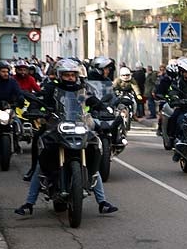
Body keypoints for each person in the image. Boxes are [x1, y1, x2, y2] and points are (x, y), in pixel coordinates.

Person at [15, 58, 118, 216]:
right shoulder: (51, 88)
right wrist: (36, 109)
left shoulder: (83, 88)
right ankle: (29, 203)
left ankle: (102, 202)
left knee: (92, 157)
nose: (70, 78)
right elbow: (40, 99)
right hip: (56, 125)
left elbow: (93, 101)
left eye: (72, 75)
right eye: (66, 75)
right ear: (59, 75)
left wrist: (103, 110)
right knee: (40, 159)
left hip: (79, 125)